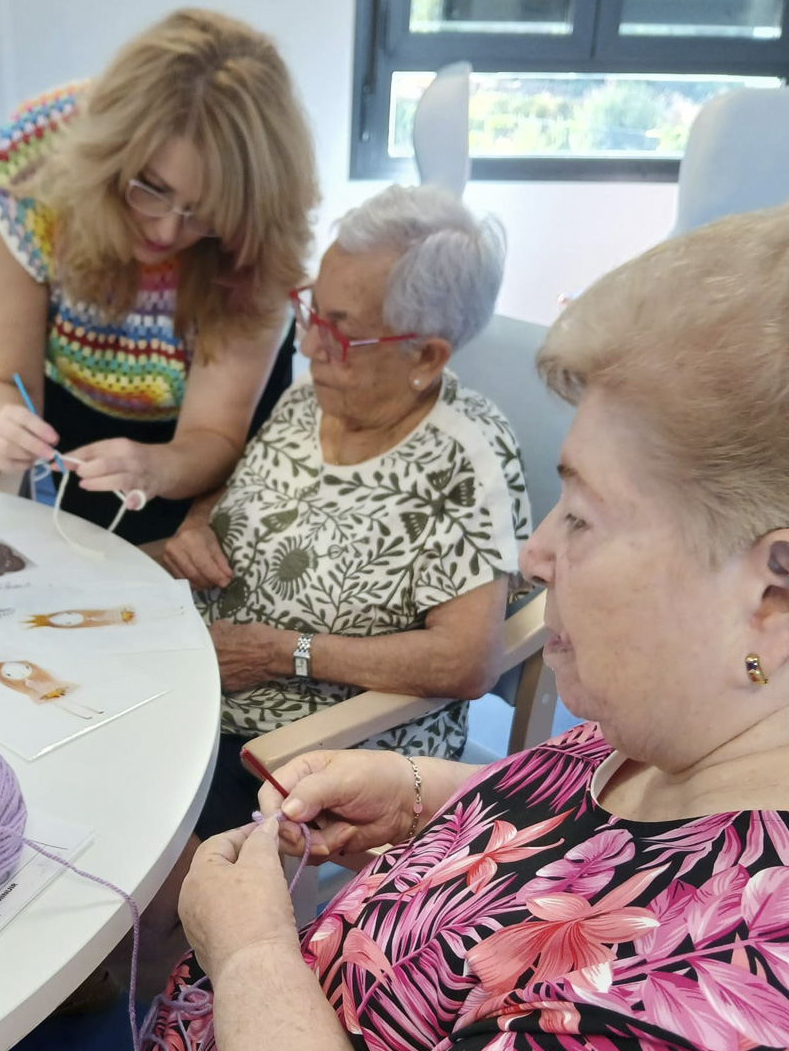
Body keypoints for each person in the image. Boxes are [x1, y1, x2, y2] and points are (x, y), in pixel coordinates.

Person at [147, 205, 789, 1050]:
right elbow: (594, 838)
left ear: (774, 596)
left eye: (585, 518)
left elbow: (468, 659)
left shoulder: (708, 993)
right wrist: (425, 796)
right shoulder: (678, 722)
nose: (535, 555)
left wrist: (253, 952)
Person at [163, 184, 529, 840]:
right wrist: (198, 524)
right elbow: (249, 493)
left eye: (342, 333)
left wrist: (284, 653)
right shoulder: (310, 402)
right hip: (197, 686)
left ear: (425, 356)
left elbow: (467, 660)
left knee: (141, 843)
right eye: (311, 312)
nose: (309, 346)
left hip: (317, 749)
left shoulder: (465, 459)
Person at [0, 8, 318, 544]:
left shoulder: (261, 232)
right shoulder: (28, 170)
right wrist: (4, 423)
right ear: (108, 158)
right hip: (66, 431)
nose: (167, 229)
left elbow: (212, 435)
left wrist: (158, 469)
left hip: (201, 467)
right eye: (150, 187)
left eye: (205, 210)